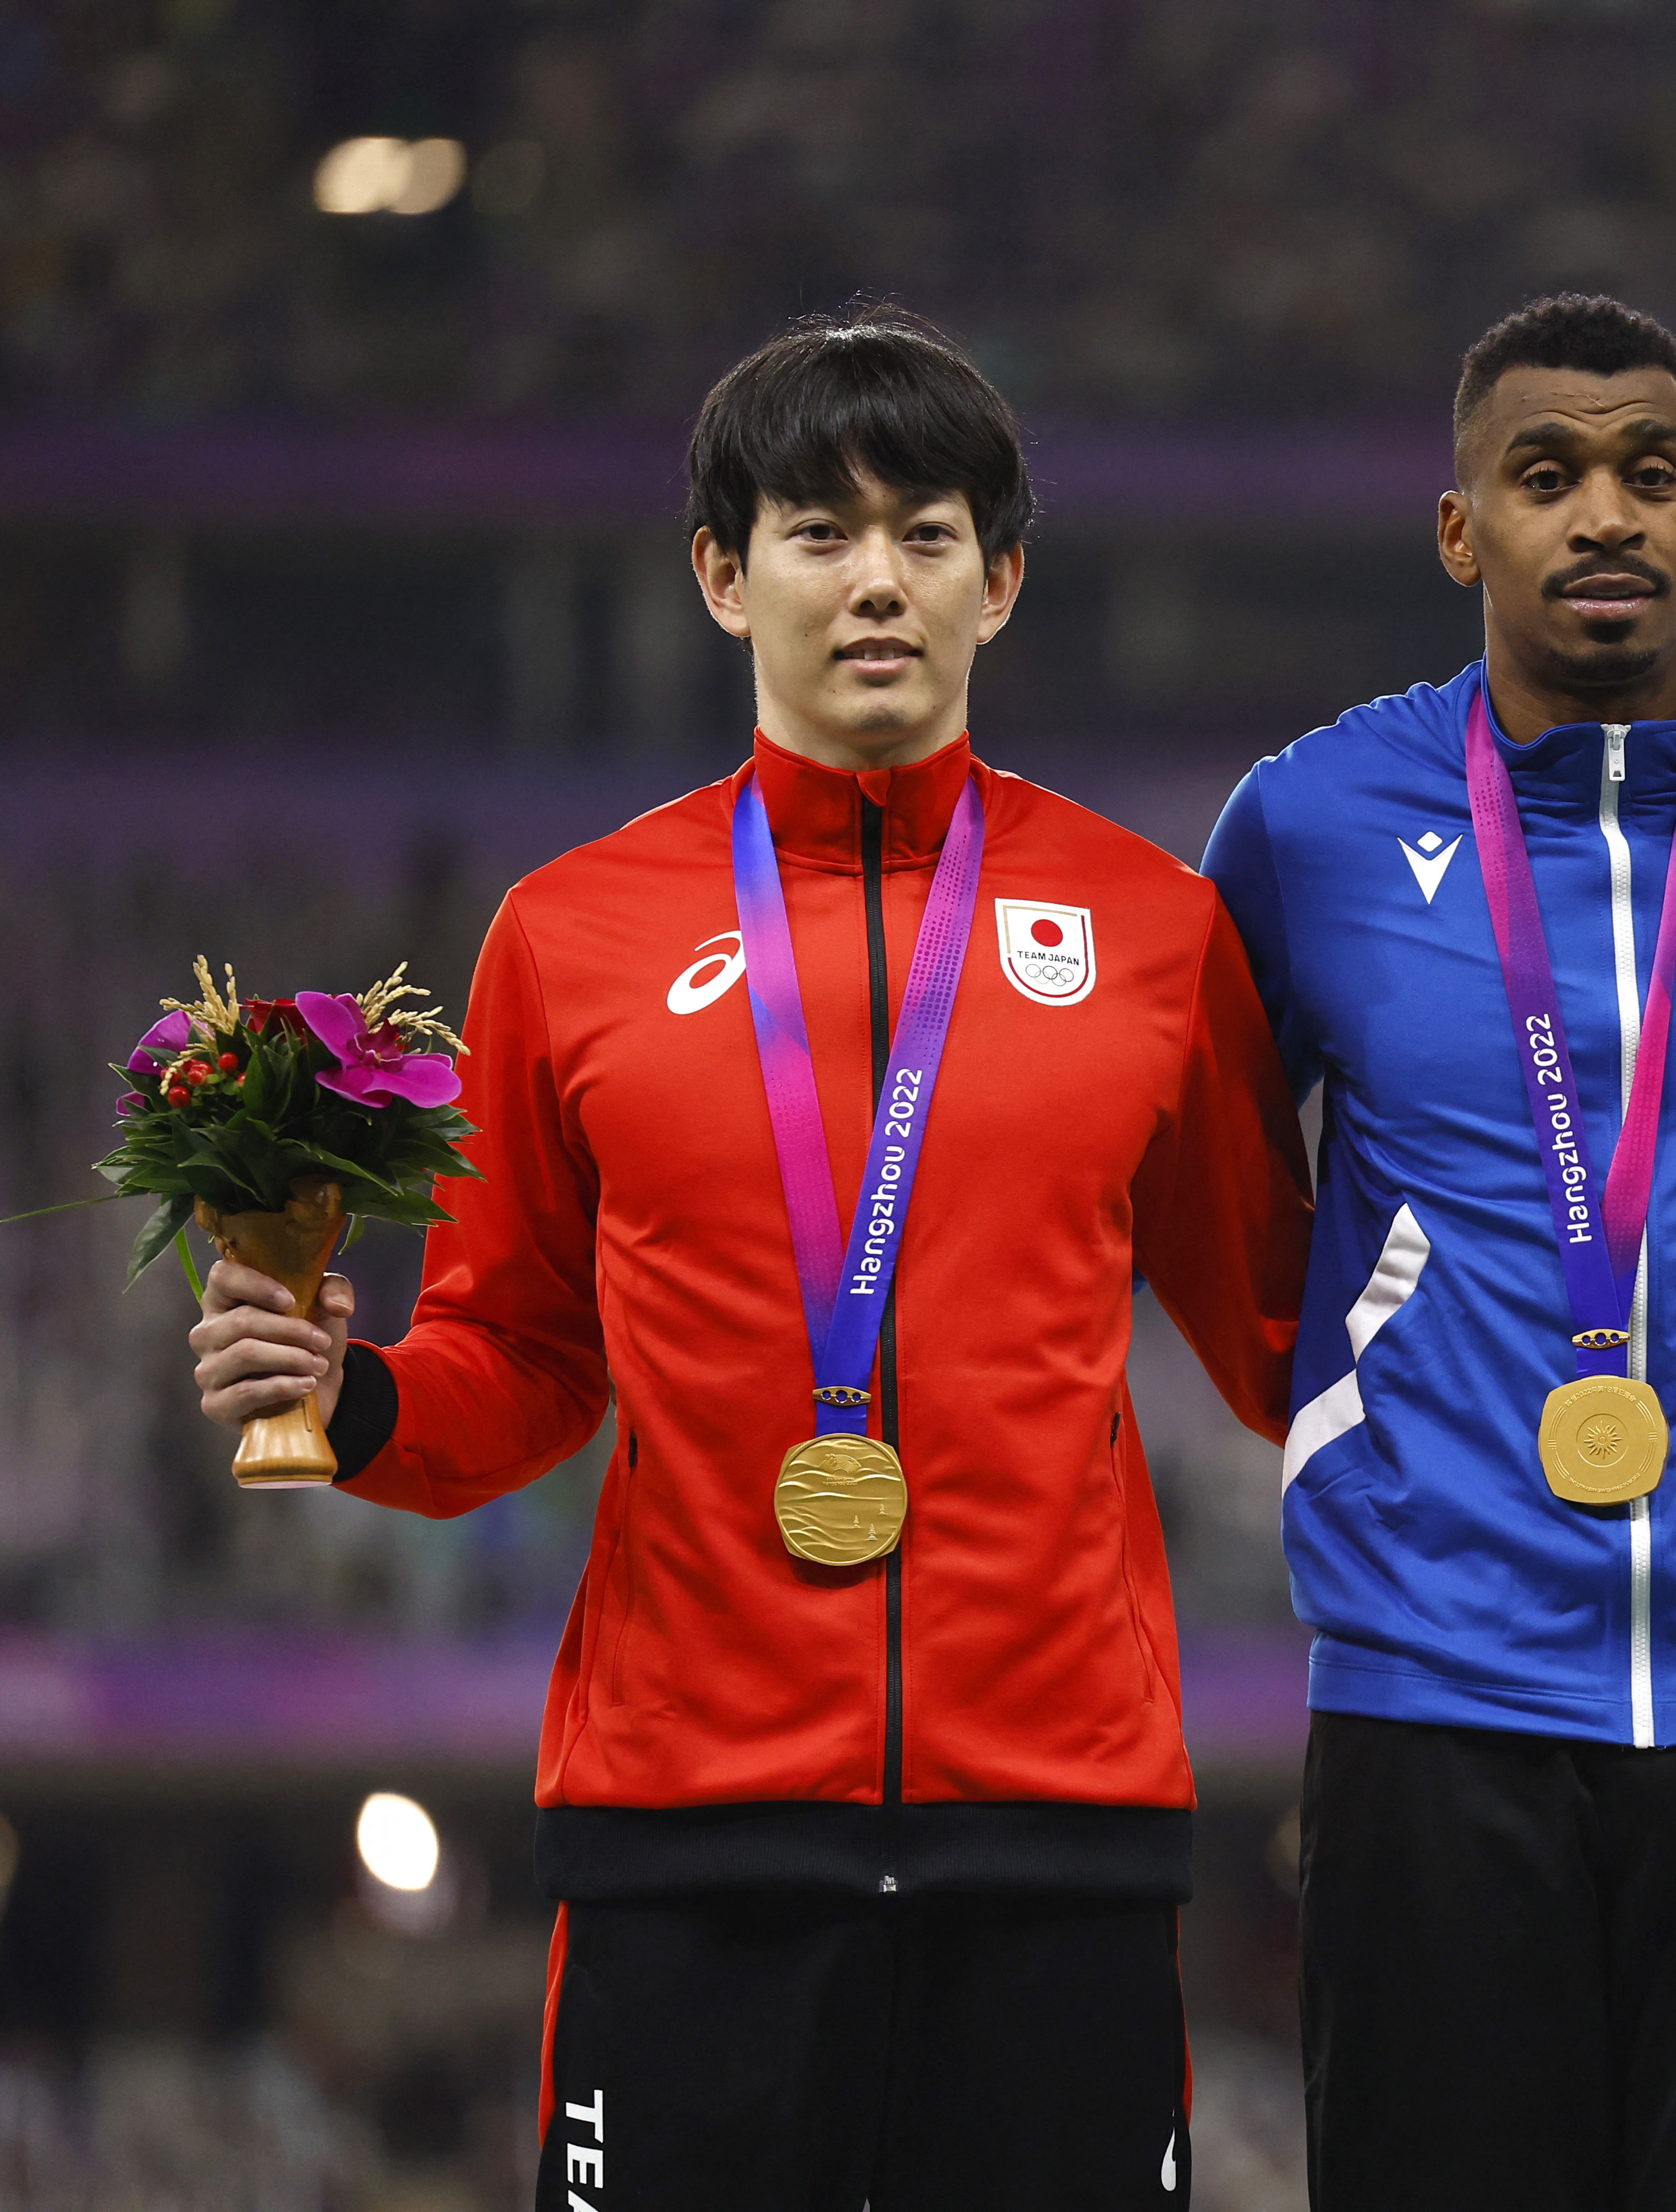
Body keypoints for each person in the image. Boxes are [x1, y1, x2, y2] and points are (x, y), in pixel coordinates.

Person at [184, 305, 1309, 2211]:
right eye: (817, 529)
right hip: (688, 1838)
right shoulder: (571, 936)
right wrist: (355, 1398)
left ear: (1003, 578)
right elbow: (521, 1353)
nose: (877, 580)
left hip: (1057, 1828)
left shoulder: (1151, 927)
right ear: (722, 574)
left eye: (929, 532)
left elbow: (1291, 1338)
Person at [1201, 295, 1676, 2211]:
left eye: (1648, 473)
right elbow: (1208, 1185)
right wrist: (1350, 1410)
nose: (1602, 513)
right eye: (1546, 476)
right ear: (1463, 532)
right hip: (1437, 1675)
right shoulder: (1309, 823)